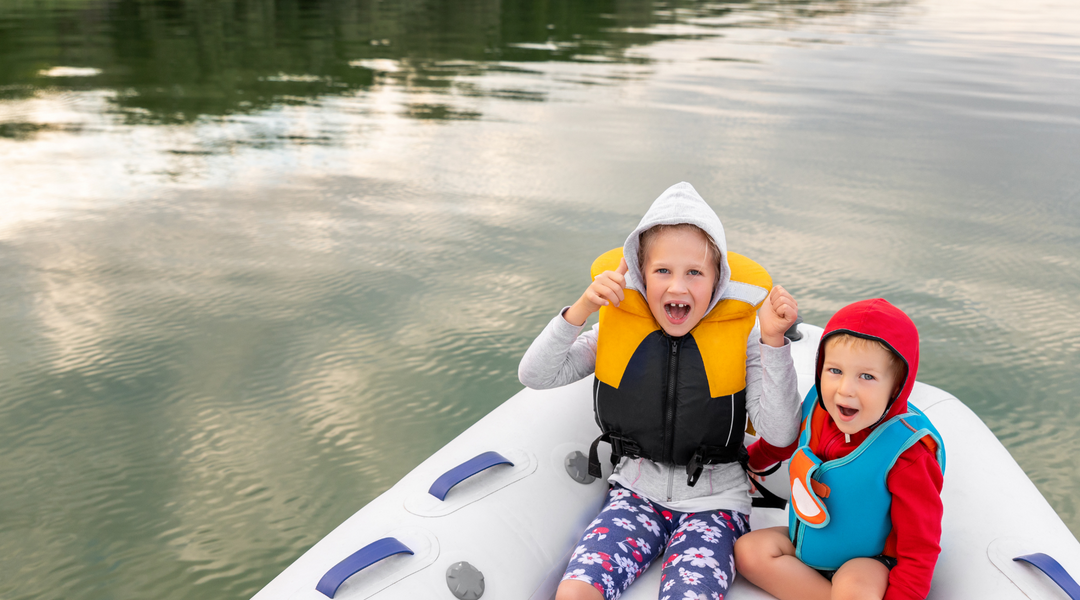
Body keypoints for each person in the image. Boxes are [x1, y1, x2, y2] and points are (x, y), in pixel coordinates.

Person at [518, 182, 802, 600]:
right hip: (633, 494)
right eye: (662, 271)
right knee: (575, 593)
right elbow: (535, 374)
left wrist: (774, 343)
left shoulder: (746, 340)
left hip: (715, 504)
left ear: (718, 279)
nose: (677, 287)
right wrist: (580, 310)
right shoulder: (617, 331)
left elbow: (780, 433)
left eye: (695, 272)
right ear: (639, 274)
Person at [734, 299, 945, 600]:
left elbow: (920, 546)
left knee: (853, 587)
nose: (845, 389)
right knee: (748, 552)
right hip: (807, 541)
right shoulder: (818, 406)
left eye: (867, 376)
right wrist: (751, 459)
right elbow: (788, 443)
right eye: (834, 370)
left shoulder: (909, 454)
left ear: (898, 386)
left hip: (867, 561)